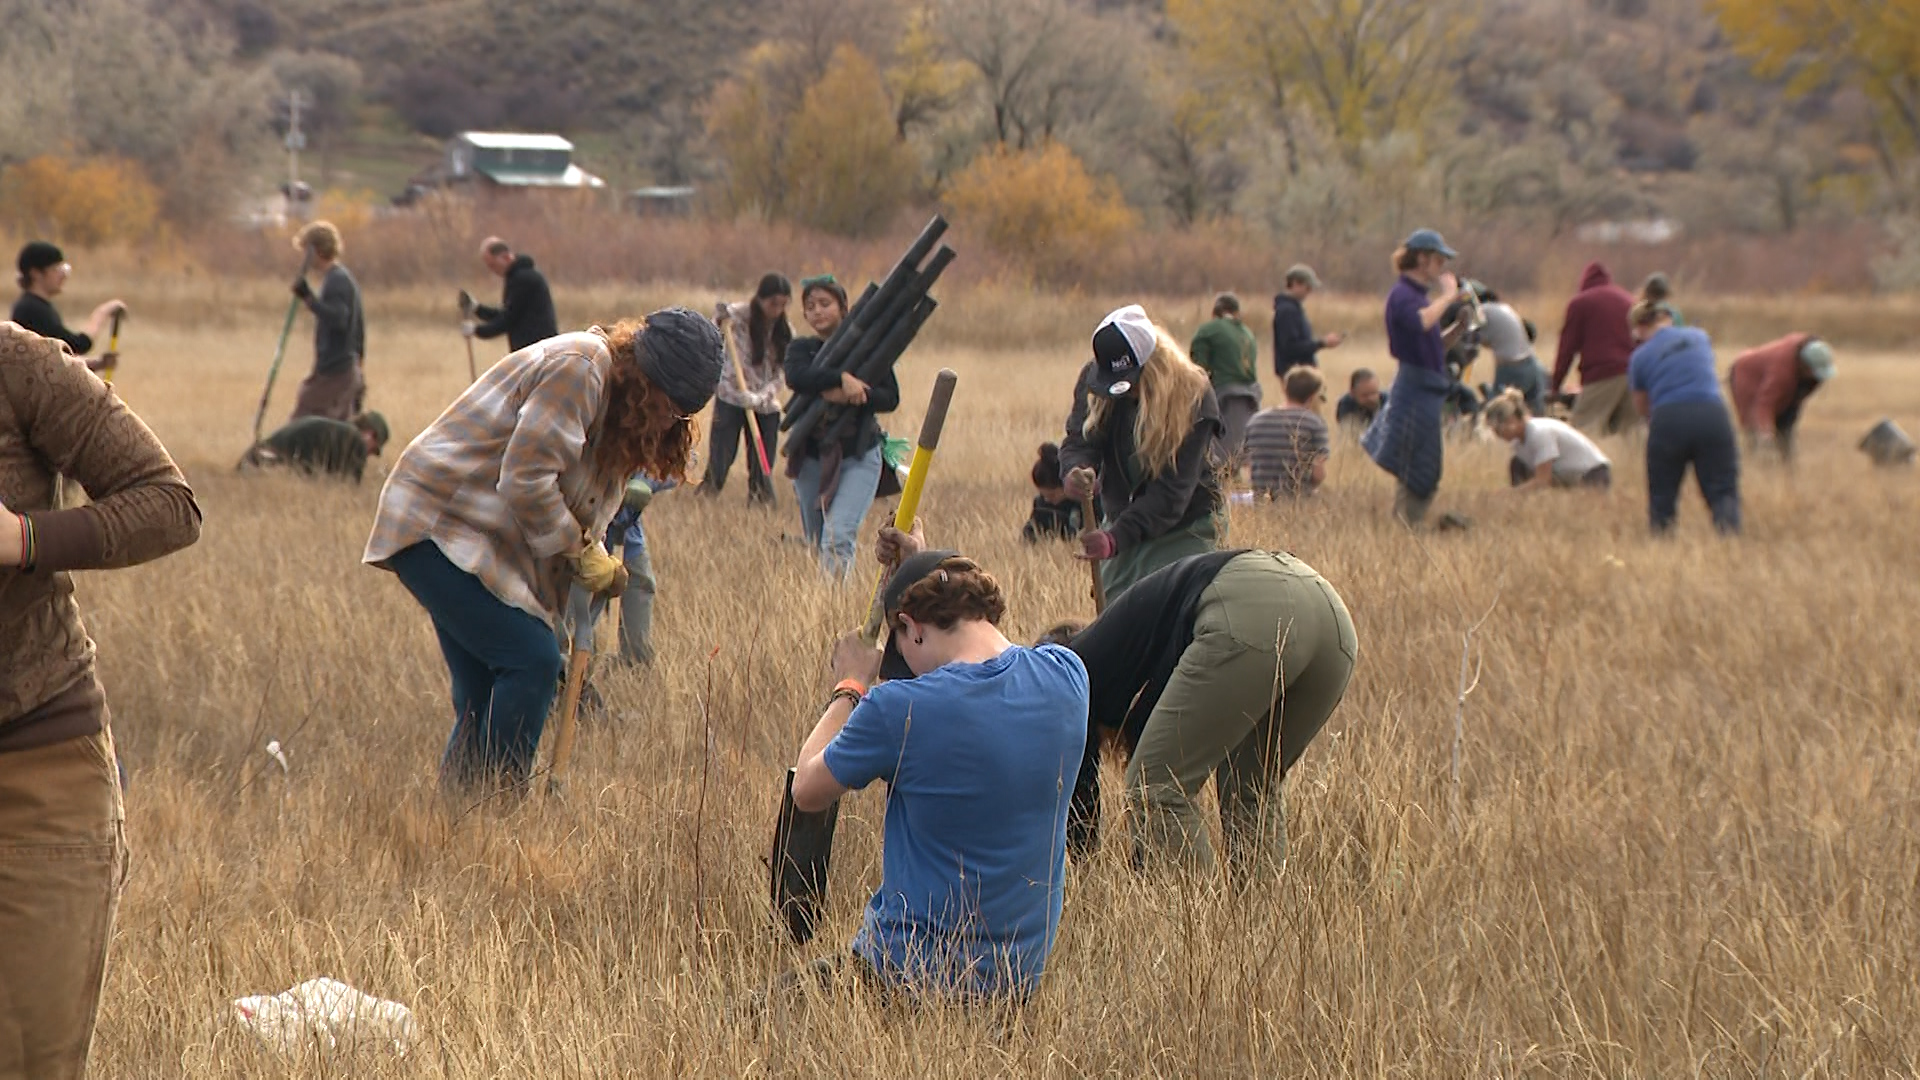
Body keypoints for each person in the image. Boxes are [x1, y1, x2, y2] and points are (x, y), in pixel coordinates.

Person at [363, 310, 723, 793]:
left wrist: (591, 554)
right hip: (439, 524)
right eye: (669, 405)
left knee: (482, 692)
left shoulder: (617, 410)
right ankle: (499, 804)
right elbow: (525, 480)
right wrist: (580, 553)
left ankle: (459, 818)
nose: (669, 420)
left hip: (483, 541)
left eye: (683, 412)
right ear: (645, 377)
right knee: (532, 660)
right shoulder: (580, 367)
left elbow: (577, 501)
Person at [1, 323, 202, 1079]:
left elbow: (169, 503)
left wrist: (24, 538)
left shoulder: (16, 364)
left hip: (33, 765)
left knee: (26, 1059)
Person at [790, 544, 1088, 1002]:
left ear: (910, 626)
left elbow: (806, 790)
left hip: (904, 977)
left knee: (736, 1026)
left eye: (901, 648)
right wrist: (924, 563)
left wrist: (850, 685)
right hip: (1015, 985)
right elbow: (988, 678)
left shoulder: (899, 709)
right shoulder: (1068, 676)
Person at [1048, 543, 1356, 872]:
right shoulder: (1132, 649)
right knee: (1250, 785)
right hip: (1331, 619)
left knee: (1159, 785)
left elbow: (1080, 797)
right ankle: (1258, 918)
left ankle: (1197, 921)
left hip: (1252, 610)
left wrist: (1086, 869)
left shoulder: (1070, 675)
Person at [1060, 305, 1224, 600]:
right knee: (1115, 610)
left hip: (1185, 526)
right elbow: (1080, 440)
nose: (1126, 391)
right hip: (1123, 518)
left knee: (1173, 608)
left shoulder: (1192, 395)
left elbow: (1172, 494)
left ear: (1153, 367)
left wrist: (1115, 539)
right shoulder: (1095, 380)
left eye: (1132, 381)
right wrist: (1076, 469)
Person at [783, 275, 898, 578]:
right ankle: (820, 604)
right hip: (810, 457)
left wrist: (857, 395)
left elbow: (890, 396)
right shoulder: (801, 349)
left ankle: (834, 605)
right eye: (810, 306)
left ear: (844, 308)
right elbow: (796, 376)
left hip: (859, 456)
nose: (817, 311)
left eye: (825, 303)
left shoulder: (870, 350)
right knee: (816, 538)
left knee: (838, 537)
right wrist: (840, 380)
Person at [1362, 229, 1469, 529]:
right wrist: (1449, 296)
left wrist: (1458, 329)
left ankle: (1408, 523)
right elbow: (1421, 322)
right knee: (1419, 460)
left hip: (1426, 388)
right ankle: (1410, 526)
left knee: (1419, 458)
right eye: (1438, 259)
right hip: (1414, 389)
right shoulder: (1404, 296)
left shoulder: (1418, 297)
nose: (1442, 266)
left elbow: (1432, 344)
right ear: (1421, 258)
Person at [1628, 300, 1740, 534]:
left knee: (1662, 494)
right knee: (1723, 489)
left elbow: (1641, 405)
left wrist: (1655, 423)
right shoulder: (1699, 337)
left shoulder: (1639, 357)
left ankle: (1662, 545)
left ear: (1639, 327)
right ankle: (1730, 540)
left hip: (1668, 417)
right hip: (1712, 414)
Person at [554, 474, 672, 668]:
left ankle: (634, 679)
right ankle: (570, 680)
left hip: (628, 540)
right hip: (582, 544)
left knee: (638, 630)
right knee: (571, 629)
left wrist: (645, 481)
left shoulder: (646, 446)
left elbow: (685, 459)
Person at [706, 273, 792, 505]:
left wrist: (761, 397)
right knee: (720, 458)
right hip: (731, 397)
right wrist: (719, 315)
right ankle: (707, 497)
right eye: (773, 303)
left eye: (783, 305)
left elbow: (781, 374)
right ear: (760, 298)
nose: (777, 310)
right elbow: (715, 328)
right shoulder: (738, 317)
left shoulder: (785, 331)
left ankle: (761, 501)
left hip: (764, 405)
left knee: (761, 462)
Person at [288, 221, 367, 422]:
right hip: (344, 367)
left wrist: (308, 298)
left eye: (306, 250)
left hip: (335, 369)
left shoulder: (337, 281)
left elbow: (338, 319)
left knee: (304, 418)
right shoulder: (340, 278)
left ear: (317, 250)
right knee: (336, 429)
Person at [11, 242, 126, 374]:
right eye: (56, 269)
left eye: (64, 269)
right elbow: (77, 345)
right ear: (36, 273)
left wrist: (98, 363)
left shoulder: (35, 306)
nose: (64, 275)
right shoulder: (32, 309)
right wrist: (102, 312)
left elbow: (57, 358)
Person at [1551, 262, 1638, 436]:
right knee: (1633, 434)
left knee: (1582, 432)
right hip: (1634, 374)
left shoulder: (1580, 303)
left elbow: (1567, 347)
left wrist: (1555, 384)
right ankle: (1633, 463)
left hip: (1602, 374)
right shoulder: (1628, 300)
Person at [1729, 334, 1836, 461]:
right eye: (1814, 372)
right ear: (1804, 366)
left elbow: (1794, 403)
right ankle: (1757, 466)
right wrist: (1765, 435)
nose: (1818, 379)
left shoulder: (1807, 364)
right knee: (1756, 433)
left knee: (1786, 429)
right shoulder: (1782, 371)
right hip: (1746, 376)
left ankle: (1786, 466)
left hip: (1780, 383)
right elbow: (1764, 404)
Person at [1483, 389, 1612, 492]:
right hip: (1568, 478)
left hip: (1593, 475)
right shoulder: (1518, 443)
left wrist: (1508, 494)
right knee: (1517, 464)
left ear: (1512, 420)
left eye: (1498, 429)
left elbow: (1542, 481)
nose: (1497, 435)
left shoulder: (1539, 432)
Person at [1188, 293, 1261, 470]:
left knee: (1218, 459)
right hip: (1250, 398)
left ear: (1215, 312)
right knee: (1238, 456)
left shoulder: (1208, 330)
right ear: (1236, 313)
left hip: (1223, 397)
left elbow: (1198, 370)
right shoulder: (1247, 333)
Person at [1245, 365, 1331, 500]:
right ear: (1314, 396)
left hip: (1261, 500)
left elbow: (1250, 469)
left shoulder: (1256, 420)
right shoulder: (1314, 424)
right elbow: (1317, 475)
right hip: (1297, 499)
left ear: (1285, 389)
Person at [462, 237, 558, 354]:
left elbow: (508, 319)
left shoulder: (523, 279)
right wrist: (476, 308)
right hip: (533, 351)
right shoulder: (517, 276)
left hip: (537, 352)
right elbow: (507, 313)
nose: (493, 270)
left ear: (505, 257)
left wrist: (477, 330)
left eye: (493, 265)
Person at [237, 412, 390, 483]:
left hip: (260, 455)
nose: (368, 455)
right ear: (370, 435)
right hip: (273, 462)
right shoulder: (355, 441)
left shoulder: (333, 431)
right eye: (373, 450)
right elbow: (351, 487)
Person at [1479, 287, 1548, 414]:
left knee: (1497, 411)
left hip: (1511, 368)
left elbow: (1476, 338)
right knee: (1533, 413)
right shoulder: (1506, 309)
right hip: (1532, 364)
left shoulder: (1483, 310)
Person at [1271, 264, 1344, 372]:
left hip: (1302, 371)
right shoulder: (1287, 311)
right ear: (1295, 283)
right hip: (1296, 373)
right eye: (1308, 287)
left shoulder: (1294, 309)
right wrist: (1322, 343)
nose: (1310, 291)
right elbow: (1290, 347)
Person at [1022, 442, 1083, 542]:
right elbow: (1031, 532)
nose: (1047, 499)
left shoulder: (1085, 504)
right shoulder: (1041, 506)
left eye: (1052, 495)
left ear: (1066, 484)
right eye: (1043, 495)